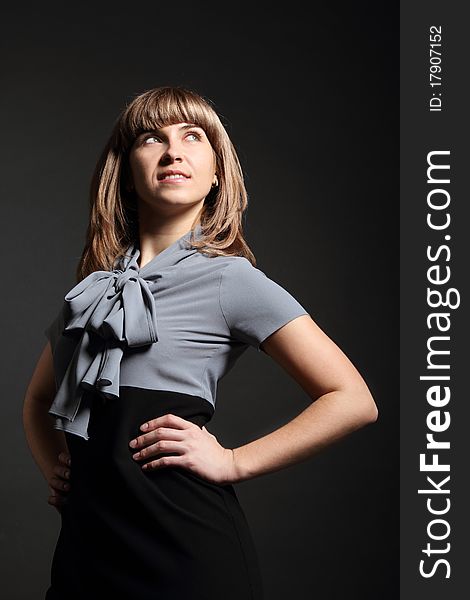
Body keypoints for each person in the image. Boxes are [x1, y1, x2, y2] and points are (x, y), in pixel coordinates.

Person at [23, 85, 378, 599]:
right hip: (85, 556)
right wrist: (57, 471)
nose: (173, 151)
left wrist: (234, 461)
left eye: (193, 137)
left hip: (186, 555)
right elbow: (37, 402)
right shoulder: (91, 292)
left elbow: (353, 400)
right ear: (124, 169)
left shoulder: (232, 280)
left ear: (216, 173)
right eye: (151, 138)